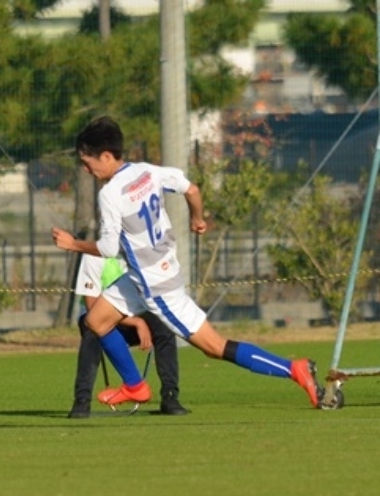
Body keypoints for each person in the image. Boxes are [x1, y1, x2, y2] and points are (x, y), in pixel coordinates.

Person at [52, 116, 322, 409]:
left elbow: (106, 248)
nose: (85, 168)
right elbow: (191, 189)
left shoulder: (110, 194)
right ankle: (136, 387)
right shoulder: (147, 171)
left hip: (156, 287)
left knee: (215, 347)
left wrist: (73, 244)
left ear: (105, 156)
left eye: (87, 160)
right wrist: (198, 217)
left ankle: (294, 369)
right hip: (144, 275)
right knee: (96, 321)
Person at [69, 253, 189, 418]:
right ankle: (82, 401)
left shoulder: (138, 251)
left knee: (164, 328)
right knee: (92, 332)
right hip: (101, 319)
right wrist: (136, 323)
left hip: (136, 318)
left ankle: (170, 397)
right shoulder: (93, 255)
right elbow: (91, 305)